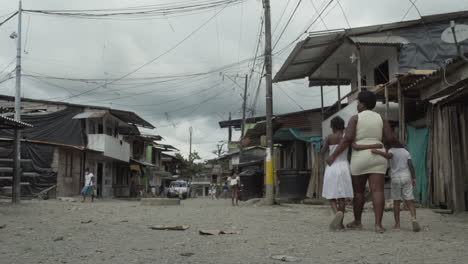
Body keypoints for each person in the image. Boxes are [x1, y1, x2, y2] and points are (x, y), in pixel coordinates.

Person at [326, 90, 395, 233]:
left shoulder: (355, 118)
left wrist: (334, 155)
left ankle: (358, 222)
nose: (357, 106)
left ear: (363, 104)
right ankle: (378, 225)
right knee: (378, 190)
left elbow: (348, 138)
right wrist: (383, 147)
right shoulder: (382, 119)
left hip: (360, 156)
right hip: (378, 155)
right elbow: (389, 139)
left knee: (359, 192)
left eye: (358, 103)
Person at [355, 140, 421, 232]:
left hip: (396, 178)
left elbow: (389, 156)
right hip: (406, 177)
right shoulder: (406, 152)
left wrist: (377, 152)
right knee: (410, 200)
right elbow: (411, 165)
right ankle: (413, 218)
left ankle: (397, 225)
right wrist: (414, 178)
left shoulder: (392, 150)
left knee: (396, 202)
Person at [321, 116, 354, 231]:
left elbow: (323, 151)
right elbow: (350, 153)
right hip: (344, 166)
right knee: (342, 197)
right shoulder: (347, 137)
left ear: (333, 127)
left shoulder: (329, 137)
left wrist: (325, 142)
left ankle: (337, 216)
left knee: (331, 195)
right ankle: (340, 224)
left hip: (332, 167)